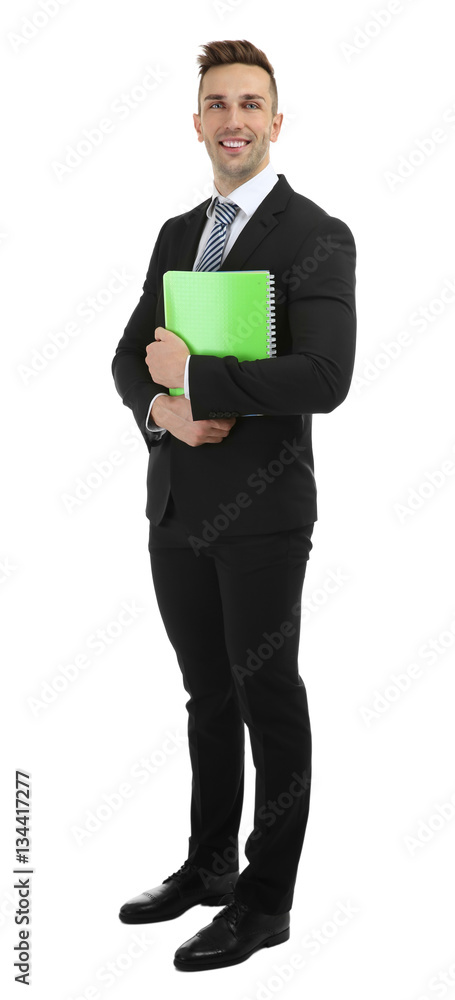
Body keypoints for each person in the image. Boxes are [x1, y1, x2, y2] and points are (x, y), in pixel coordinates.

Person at [111, 38, 356, 972]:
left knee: (267, 697)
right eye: (218, 105)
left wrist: (202, 381)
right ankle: (209, 864)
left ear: (276, 122)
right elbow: (129, 355)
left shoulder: (315, 235)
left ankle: (264, 901)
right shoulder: (178, 233)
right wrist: (165, 410)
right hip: (176, 506)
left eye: (251, 104)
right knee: (205, 696)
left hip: (262, 514)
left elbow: (324, 375)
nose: (235, 121)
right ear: (198, 123)